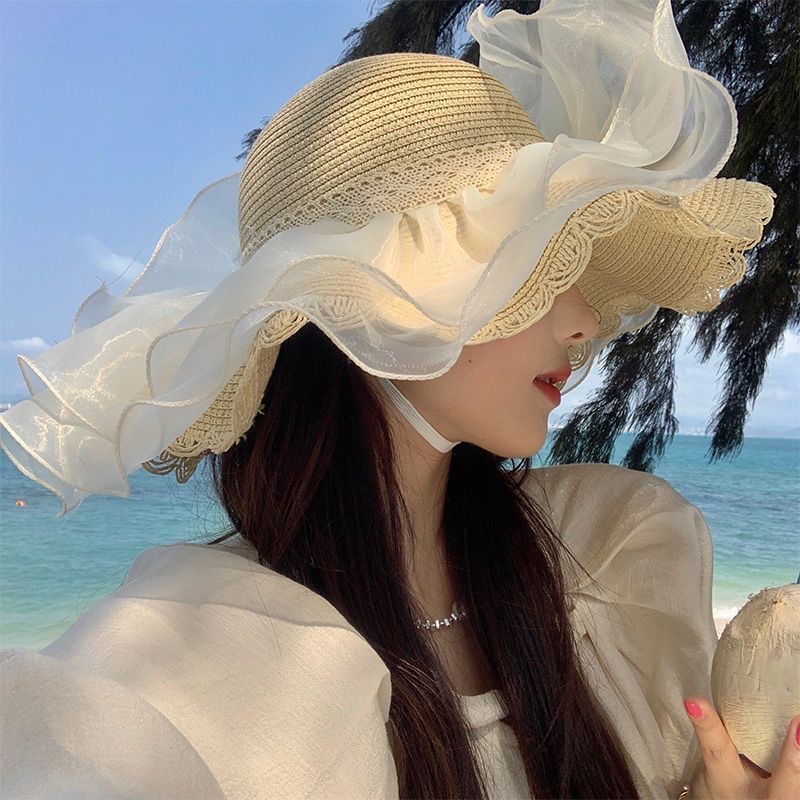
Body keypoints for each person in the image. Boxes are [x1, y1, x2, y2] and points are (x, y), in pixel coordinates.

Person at [1, 1, 796, 798]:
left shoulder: (607, 554)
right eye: (539, 263)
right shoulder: (214, 649)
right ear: (389, 296)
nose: (585, 320)